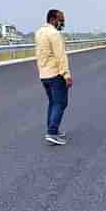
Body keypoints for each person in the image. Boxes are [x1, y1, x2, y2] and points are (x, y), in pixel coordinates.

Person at [35, 9, 72, 146]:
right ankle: (52, 132)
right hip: (55, 74)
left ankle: (52, 129)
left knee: (53, 102)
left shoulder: (39, 32)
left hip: (44, 74)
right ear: (53, 19)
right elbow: (60, 56)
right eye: (61, 19)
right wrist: (66, 75)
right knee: (61, 103)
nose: (62, 22)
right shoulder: (54, 34)